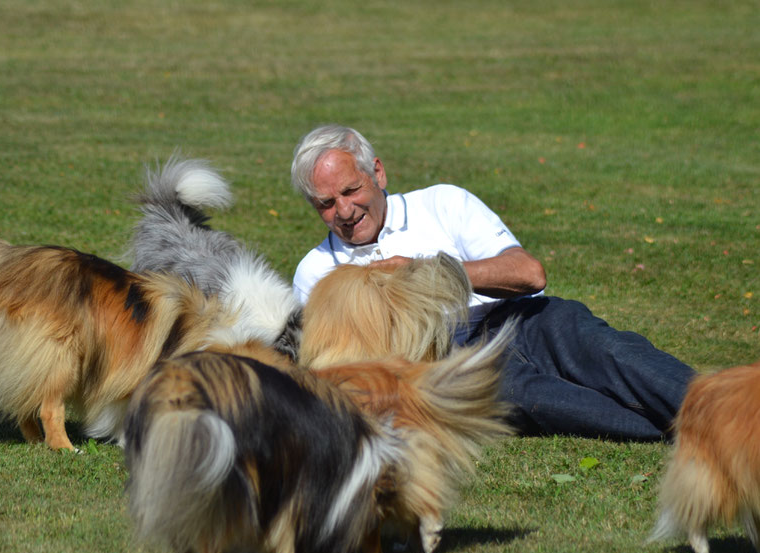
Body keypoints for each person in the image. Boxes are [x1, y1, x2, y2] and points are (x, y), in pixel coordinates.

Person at [290, 124, 693, 440]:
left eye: (351, 190)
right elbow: (341, 375)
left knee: (615, 355)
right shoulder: (315, 273)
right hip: (449, 364)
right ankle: (693, 430)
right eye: (326, 203)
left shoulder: (443, 202)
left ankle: (732, 409)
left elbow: (529, 274)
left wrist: (425, 274)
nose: (344, 210)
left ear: (376, 172)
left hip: (525, 319)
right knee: (557, 405)